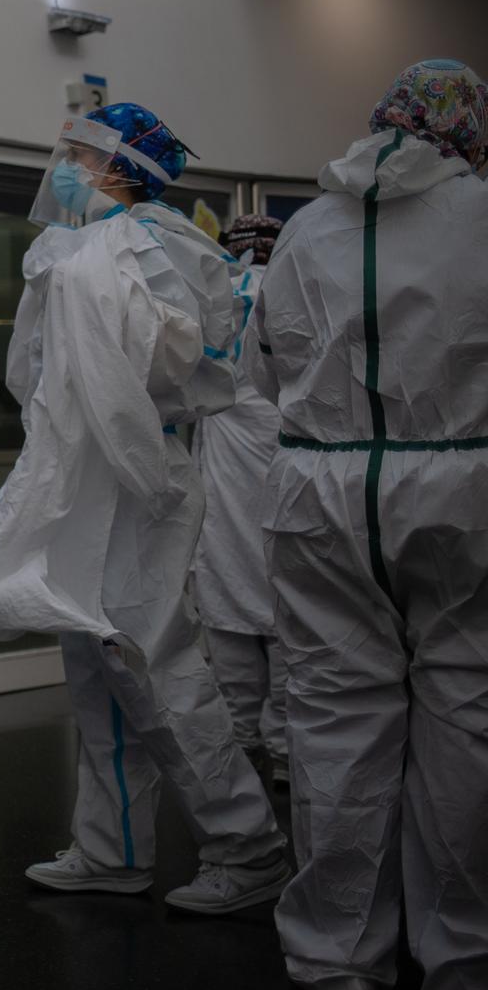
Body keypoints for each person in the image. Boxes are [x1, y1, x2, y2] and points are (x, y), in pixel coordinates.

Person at [0, 103, 288, 913]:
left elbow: (189, 362)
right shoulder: (71, 245)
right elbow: (34, 368)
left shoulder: (161, 240)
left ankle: (249, 848)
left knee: (154, 665)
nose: (63, 165)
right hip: (82, 470)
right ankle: (114, 849)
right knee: (94, 671)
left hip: (140, 474)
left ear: (117, 165)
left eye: (78, 153)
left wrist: (121, 423)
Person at [249, 59, 488, 990]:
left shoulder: (309, 225)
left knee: (334, 721)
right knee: (466, 721)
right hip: (465, 492)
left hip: (320, 494)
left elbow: (266, 367)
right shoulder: (481, 216)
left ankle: (336, 954)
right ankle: (466, 974)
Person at [193, 213, 289, 789]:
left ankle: (245, 747)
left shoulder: (212, 299)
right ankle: (283, 750)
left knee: (228, 625)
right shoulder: (296, 293)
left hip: (226, 496)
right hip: (286, 474)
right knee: (287, 627)